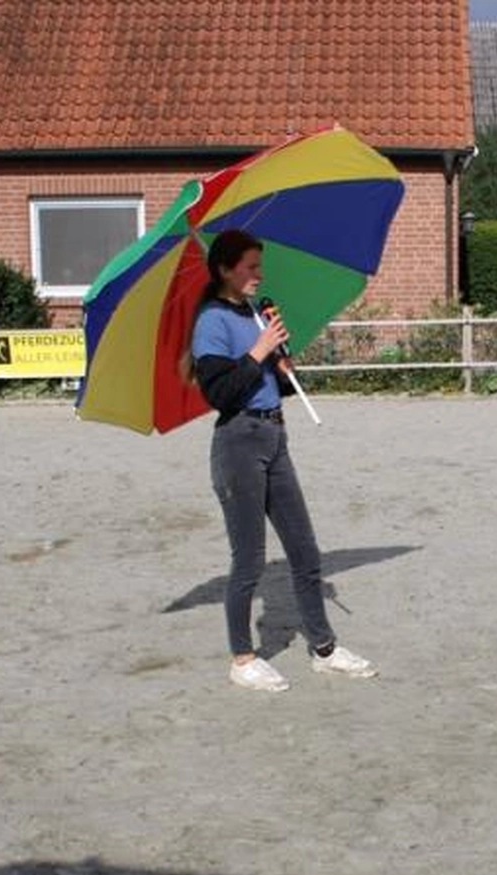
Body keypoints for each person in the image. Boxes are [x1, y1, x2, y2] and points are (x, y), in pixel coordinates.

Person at [189, 229, 376, 691]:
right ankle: (243, 658)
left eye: (259, 266)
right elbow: (220, 393)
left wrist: (283, 367)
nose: (259, 275)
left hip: (274, 435)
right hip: (238, 442)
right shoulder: (211, 320)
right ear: (225, 270)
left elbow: (271, 384)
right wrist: (258, 350)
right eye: (250, 267)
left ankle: (324, 649)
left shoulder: (256, 313)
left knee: (305, 552)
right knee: (249, 561)